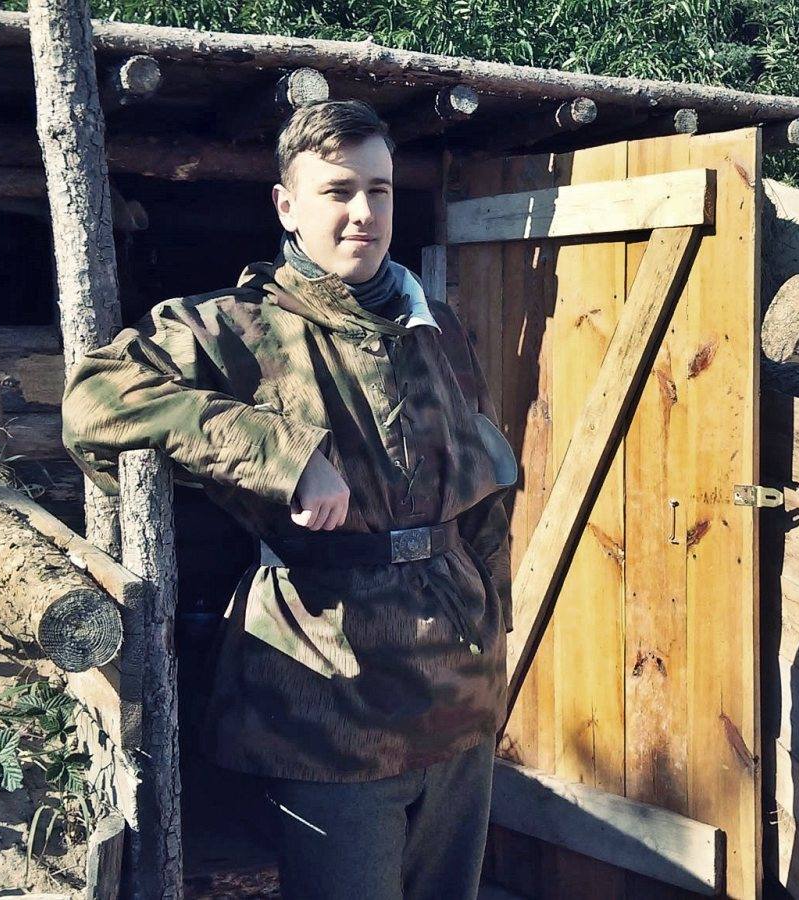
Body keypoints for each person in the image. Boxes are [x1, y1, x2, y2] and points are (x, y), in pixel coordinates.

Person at [60, 99, 517, 900]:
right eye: (338, 191)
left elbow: (481, 496)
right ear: (286, 205)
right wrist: (284, 453)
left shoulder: (436, 328)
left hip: (463, 700)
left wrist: (495, 621)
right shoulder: (234, 327)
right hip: (329, 704)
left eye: (378, 190)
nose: (363, 212)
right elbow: (95, 401)